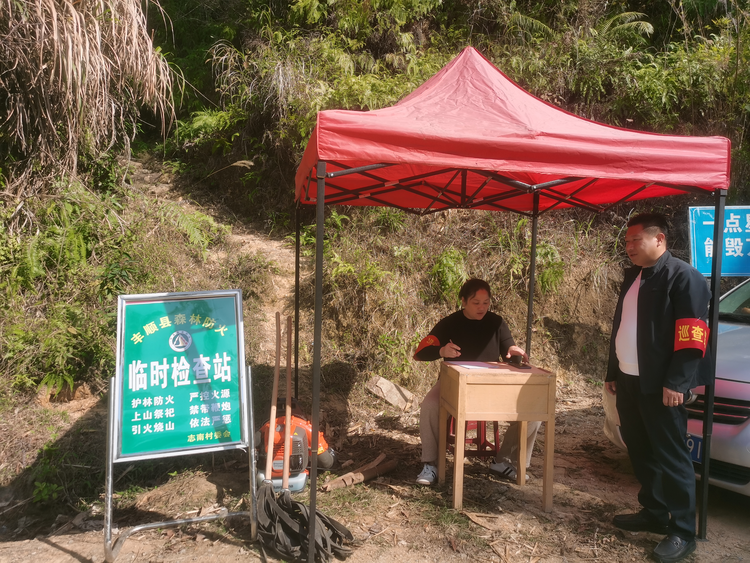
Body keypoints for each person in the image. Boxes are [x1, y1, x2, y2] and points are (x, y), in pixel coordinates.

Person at [604, 213, 712, 563]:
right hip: (629, 379)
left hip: (661, 384)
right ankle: (654, 511)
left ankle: (682, 531)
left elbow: (692, 335)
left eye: (636, 240)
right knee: (639, 449)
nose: (629, 247)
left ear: (660, 239)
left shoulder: (683, 276)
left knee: (672, 456)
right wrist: (613, 371)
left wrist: (677, 381)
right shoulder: (633, 276)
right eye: (627, 242)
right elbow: (622, 326)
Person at [413, 278, 541, 486]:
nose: (482, 307)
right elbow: (420, 352)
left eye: (486, 302)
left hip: (491, 386)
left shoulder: (496, 323)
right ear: (463, 301)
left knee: (533, 412)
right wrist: (441, 350)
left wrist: (512, 350)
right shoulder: (450, 323)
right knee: (429, 405)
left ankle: (504, 461)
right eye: (476, 303)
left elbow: (508, 348)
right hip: (453, 383)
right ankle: (431, 464)